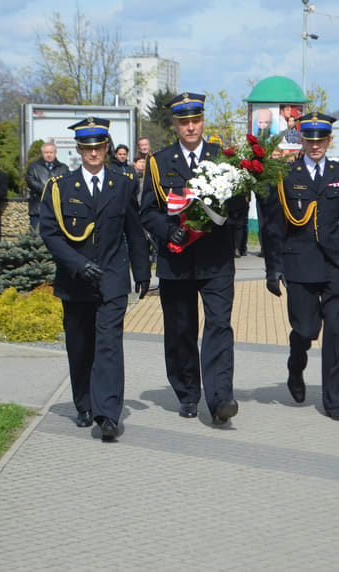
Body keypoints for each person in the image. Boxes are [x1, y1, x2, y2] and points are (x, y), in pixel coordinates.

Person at [39, 117, 151, 441]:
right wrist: (76, 264)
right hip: (76, 281)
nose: (93, 153)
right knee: (80, 345)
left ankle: (108, 415)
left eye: (98, 147)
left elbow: (134, 229)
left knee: (109, 346)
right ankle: (84, 403)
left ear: (106, 147)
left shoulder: (123, 183)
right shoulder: (60, 188)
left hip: (113, 278)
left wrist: (141, 271)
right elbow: (50, 233)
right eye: (87, 148)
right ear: (78, 150)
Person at [140, 92, 239, 425]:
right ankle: (187, 393)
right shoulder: (159, 162)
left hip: (216, 260)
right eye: (184, 122)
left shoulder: (223, 158)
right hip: (176, 260)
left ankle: (221, 398)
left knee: (219, 327)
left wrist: (228, 210)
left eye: (195, 121)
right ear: (175, 125)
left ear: (202, 122)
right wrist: (169, 233)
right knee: (180, 330)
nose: (191, 127)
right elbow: (148, 211)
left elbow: (238, 207)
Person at [261, 112, 339, 421]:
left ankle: (334, 401)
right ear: (301, 140)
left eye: (321, 140)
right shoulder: (286, 175)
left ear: (330, 141)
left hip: (334, 264)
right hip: (299, 263)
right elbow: (273, 226)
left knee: (336, 333)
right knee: (306, 329)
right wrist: (273, 267)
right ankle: (296, 363)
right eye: (310, 140)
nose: (315, 145)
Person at [24, 142, 68, 230]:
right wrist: (47, 190)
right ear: (42, 153)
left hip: (57, 210)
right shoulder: (33, 167)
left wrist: (55, 191)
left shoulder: (63, 168)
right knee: (37, 238)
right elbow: (30, 181)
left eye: (51, 152)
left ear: (55, 153)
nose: (49, 155)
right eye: (46, 152)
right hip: (38, 209)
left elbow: (66, 184)